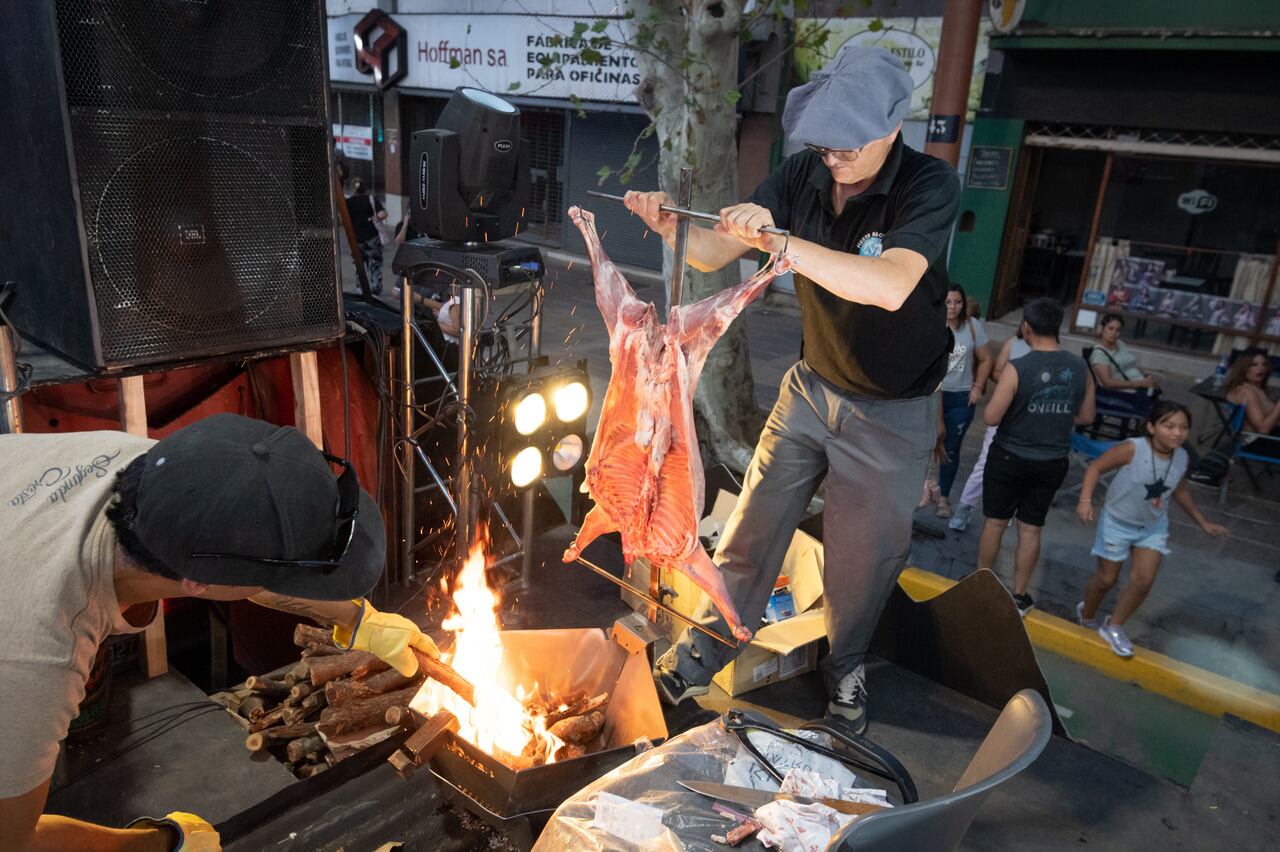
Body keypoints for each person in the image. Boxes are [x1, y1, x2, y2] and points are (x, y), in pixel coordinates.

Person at [624, 44, 960, 733]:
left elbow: (890, 284)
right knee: (751, 527)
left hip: (893, 409)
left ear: (891, 126)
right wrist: (673, 227)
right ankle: (699, 654)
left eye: (847, 145)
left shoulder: (928, 184)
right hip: (810, 386)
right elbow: (717, 250)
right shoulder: (804, 173)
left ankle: (847, 669)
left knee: (860, 564)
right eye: (824, 143)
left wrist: (779, 242)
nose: (832, 157)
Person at [0, 414, 439, 850]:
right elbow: (13, 840)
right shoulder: (41, 650)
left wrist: (357, 618)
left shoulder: (155, 469)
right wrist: (156, 844)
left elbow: (233, 560)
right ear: (198, 583)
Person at [1075, 402, 1228, 656]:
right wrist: (1085, 501)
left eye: (1184, 427)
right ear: (1152, 427)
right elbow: (1095, 467)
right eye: (1169, 426)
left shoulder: (1181, 456)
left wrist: (1203, 521)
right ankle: (1087, 613)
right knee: (1106, 579)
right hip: (1117, 522)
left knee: (1143, 580)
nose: (1177, 433)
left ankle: (1114, 626)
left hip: (1152, 526)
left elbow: (1178, 489)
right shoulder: (1133, 449)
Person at [976, 298, 1096, 616]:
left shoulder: (1019, 368)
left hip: (1009, 456)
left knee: (996, 522)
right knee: (1031, 529)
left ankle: (980, 584)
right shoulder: (1079, 367)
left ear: (1026, 328)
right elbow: (1086, 416)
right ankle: (1020, 595)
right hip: (1053, 460)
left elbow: (991, 416)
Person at [948, 330, 1031, 531]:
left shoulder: (1051, 349)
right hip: (1006, 409)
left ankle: (1006, 511)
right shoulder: (1014, 342)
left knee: (1018, 465)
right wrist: (1015, 380)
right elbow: (995, 370)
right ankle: (964, 508)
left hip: (1029, 415)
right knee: (985, 462)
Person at [933, 284, 993, 518]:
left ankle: (944, 498)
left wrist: (977, 387)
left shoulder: (972, 326)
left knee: (951, 449)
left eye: (957, 302)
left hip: (960, 396)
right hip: (931, 395)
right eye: (948, 302)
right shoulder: (932, 324)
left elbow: (987, 359)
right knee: (925, 444)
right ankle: (922, 490)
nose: (953, 307)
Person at [1224, 348, 1280, 459]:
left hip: (1270, 436)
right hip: (1257, 442)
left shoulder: (1255, 388)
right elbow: (1262, 429)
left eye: (1264, 364)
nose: (1260, 369)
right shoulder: (1247, 392)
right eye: (1254, 365)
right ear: (1243, 368)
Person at [1090, 313, 1160, 391]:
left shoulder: (1120, 343)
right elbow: (1107, 383)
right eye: (1110, 328)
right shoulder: (1099, 353)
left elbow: (1130, 365)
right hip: (1124, 393)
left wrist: (1146, 376)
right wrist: (1142, 383)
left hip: (1141, 384)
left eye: (1118, 330)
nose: (1114, 333)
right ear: (1103, 329)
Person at [346, 181, 388, 295]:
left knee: (358, 266)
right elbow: (383, 214)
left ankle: (361, 290)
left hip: (355, 239)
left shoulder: (348, 202)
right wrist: (374, 218)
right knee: (375, 265)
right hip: (372, 239)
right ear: (365, 189)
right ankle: (375, 291)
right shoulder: (371, 199)